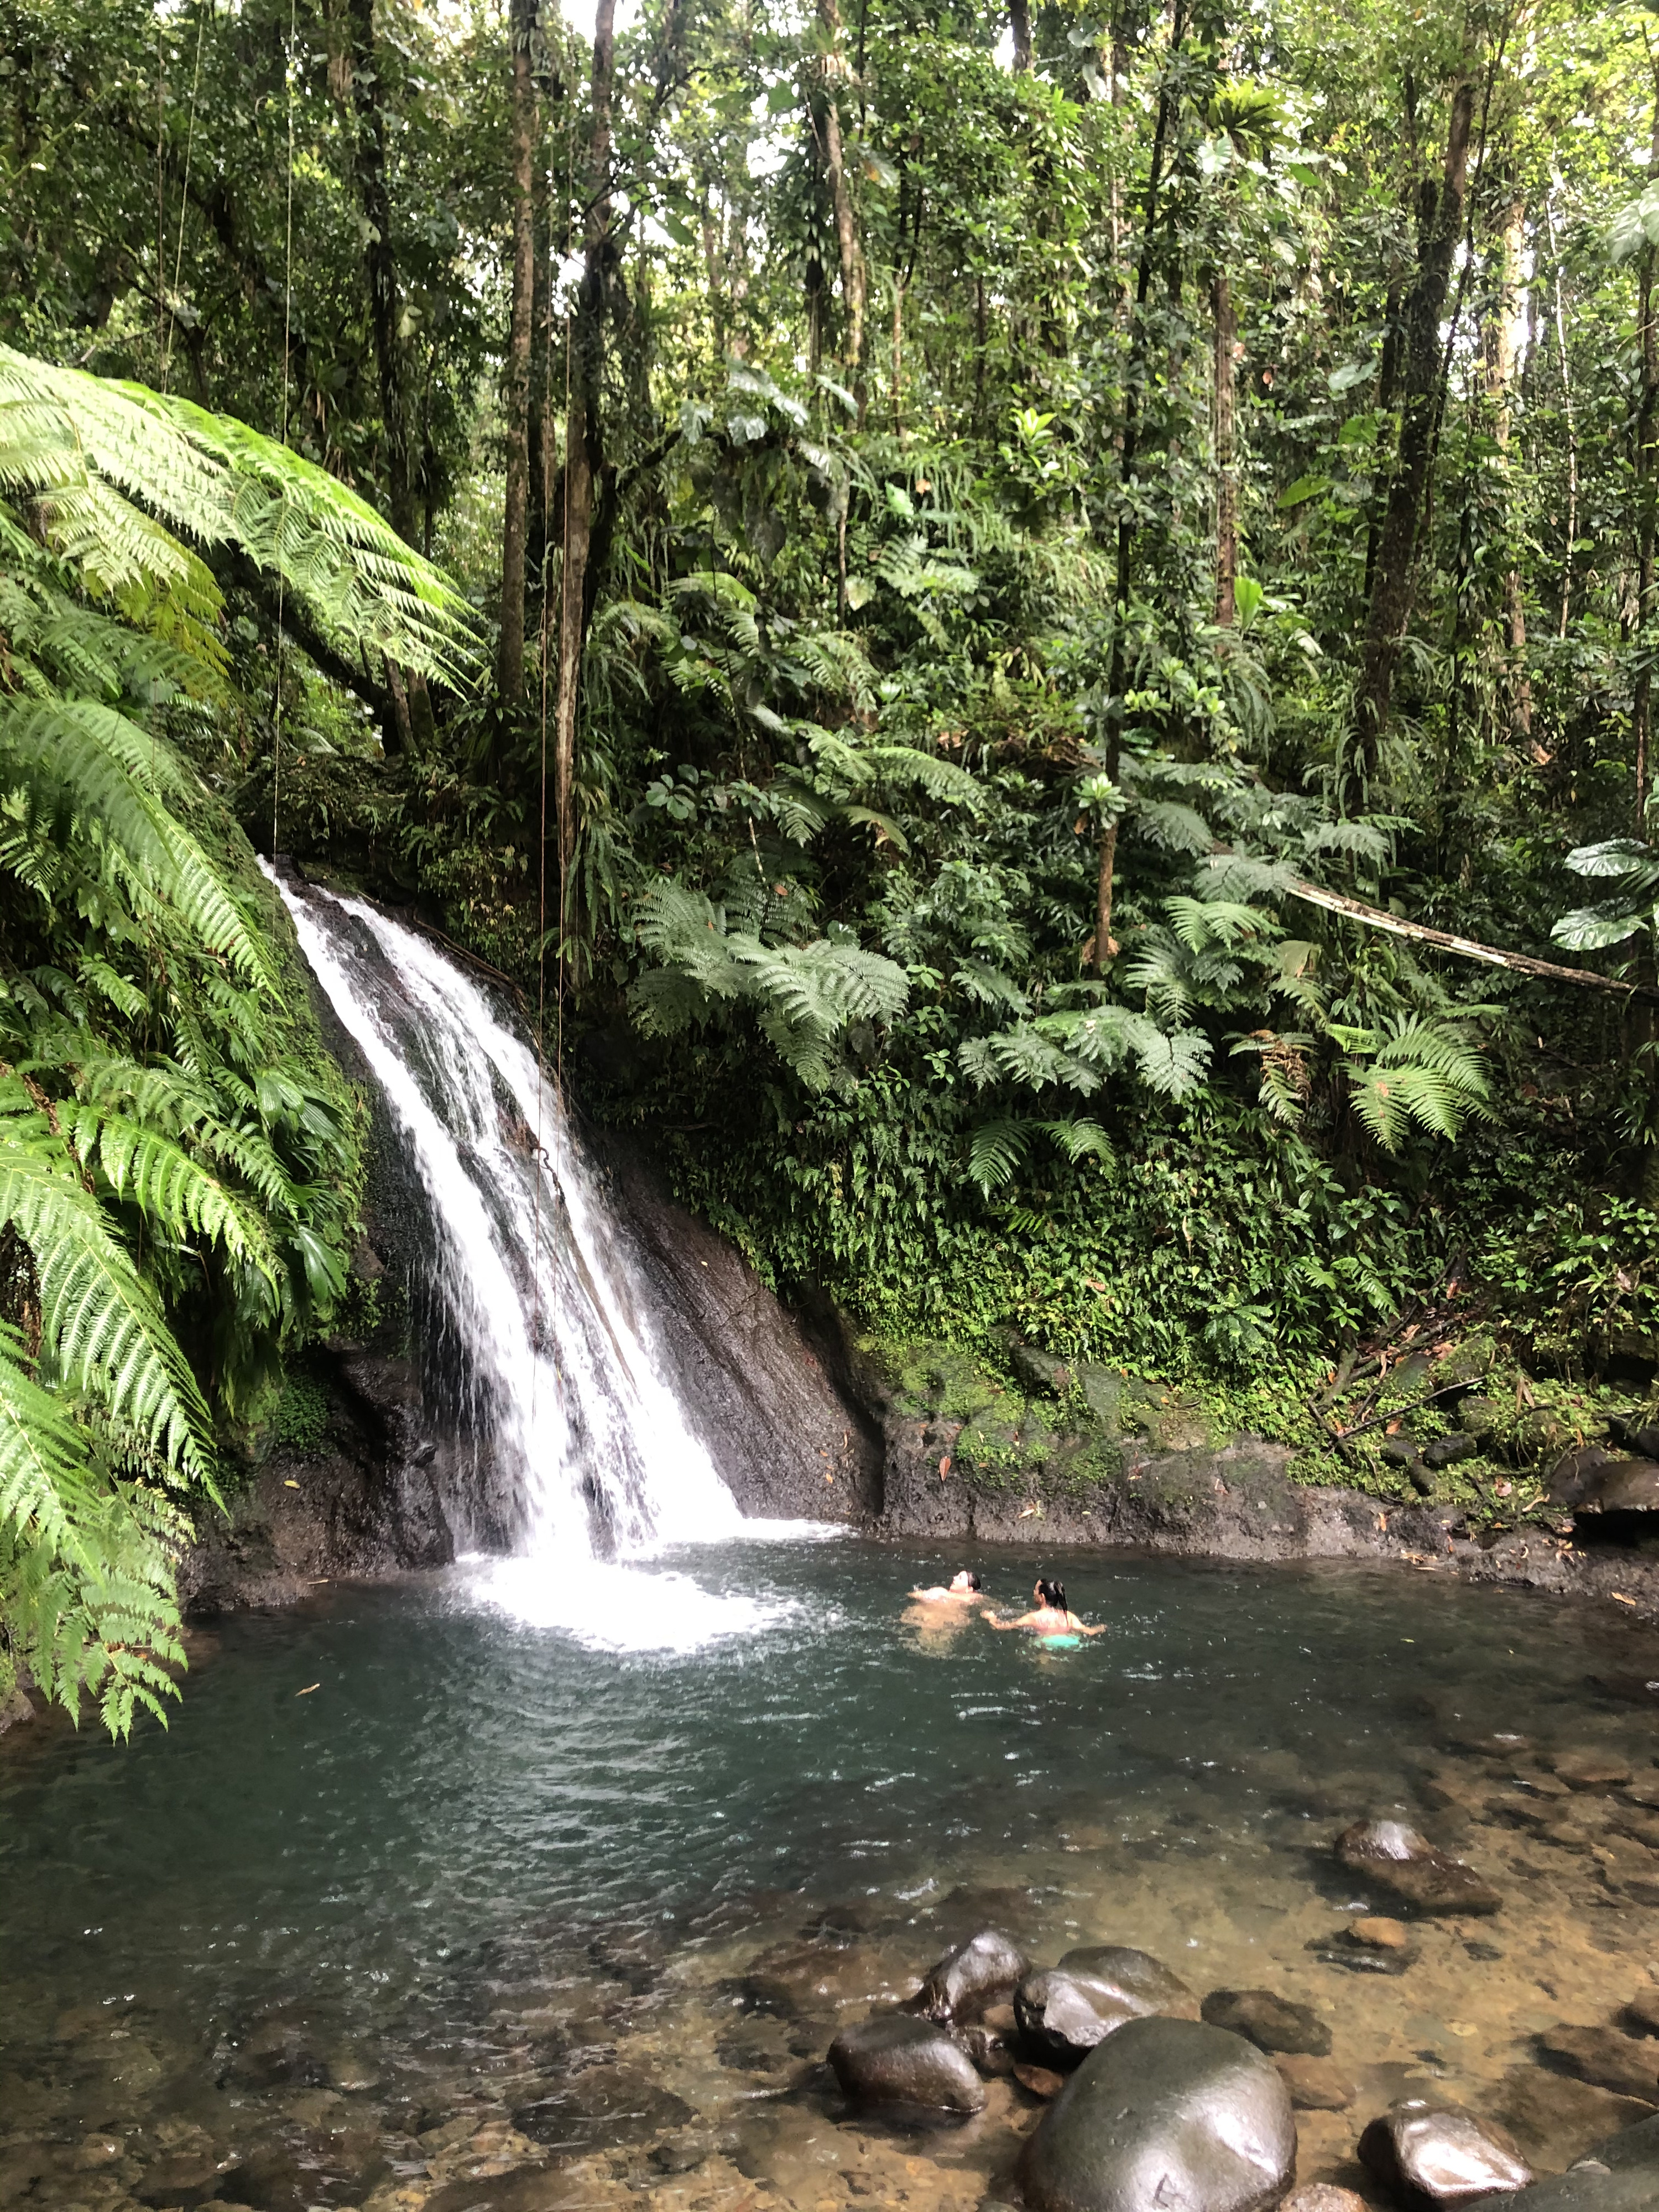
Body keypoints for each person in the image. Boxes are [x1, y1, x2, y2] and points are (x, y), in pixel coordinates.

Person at [986, 1578, 1105, 1644]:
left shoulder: (1034, 1617)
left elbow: (1001, 1627)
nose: (1034, 1592)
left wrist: (991, 1618)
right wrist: (1103, 1627)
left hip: (1046, 1645)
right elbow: (1089, 1631)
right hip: (1069, 1643)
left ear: (1042, 1597)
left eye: (1036, 1590)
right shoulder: (1068, 1616)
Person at [907, 1569, 986, 1605]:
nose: (954, 1578)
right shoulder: (941, 1592)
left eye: (960, 1578)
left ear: (969, 1589)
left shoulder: (972, 1598)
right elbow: (915, 1595)